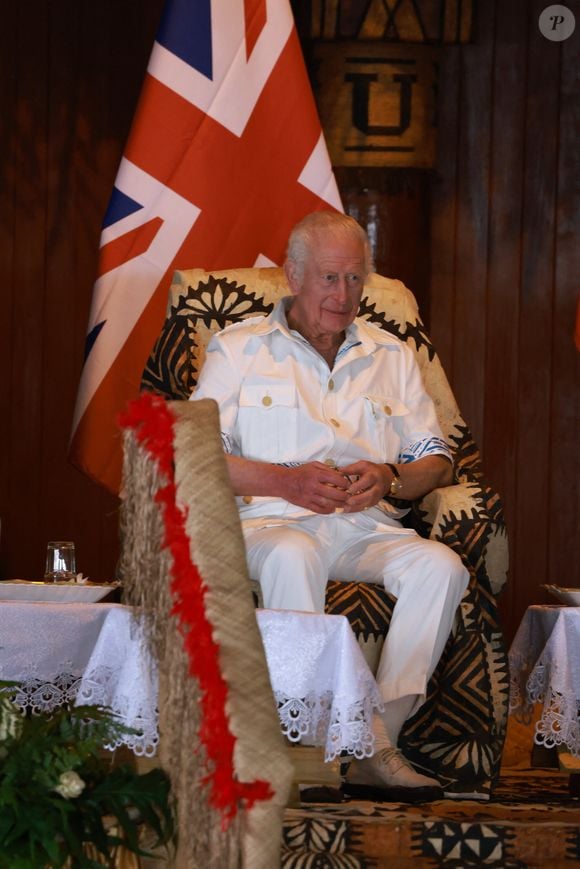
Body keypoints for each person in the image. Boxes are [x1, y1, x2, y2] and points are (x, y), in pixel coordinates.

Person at [190, 211, 469, 800]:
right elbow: (196, 453)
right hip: (266, 520)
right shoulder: (238, 350)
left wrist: (391, 477)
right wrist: (282, 481)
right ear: (293, 275)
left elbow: (435, 459)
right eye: (329, 279)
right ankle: (302, 740)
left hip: (362, 523)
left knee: (441, 567)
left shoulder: (391, 355)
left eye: (354, 280)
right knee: (294, 554)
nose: (344, 296)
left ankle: (373, 740)